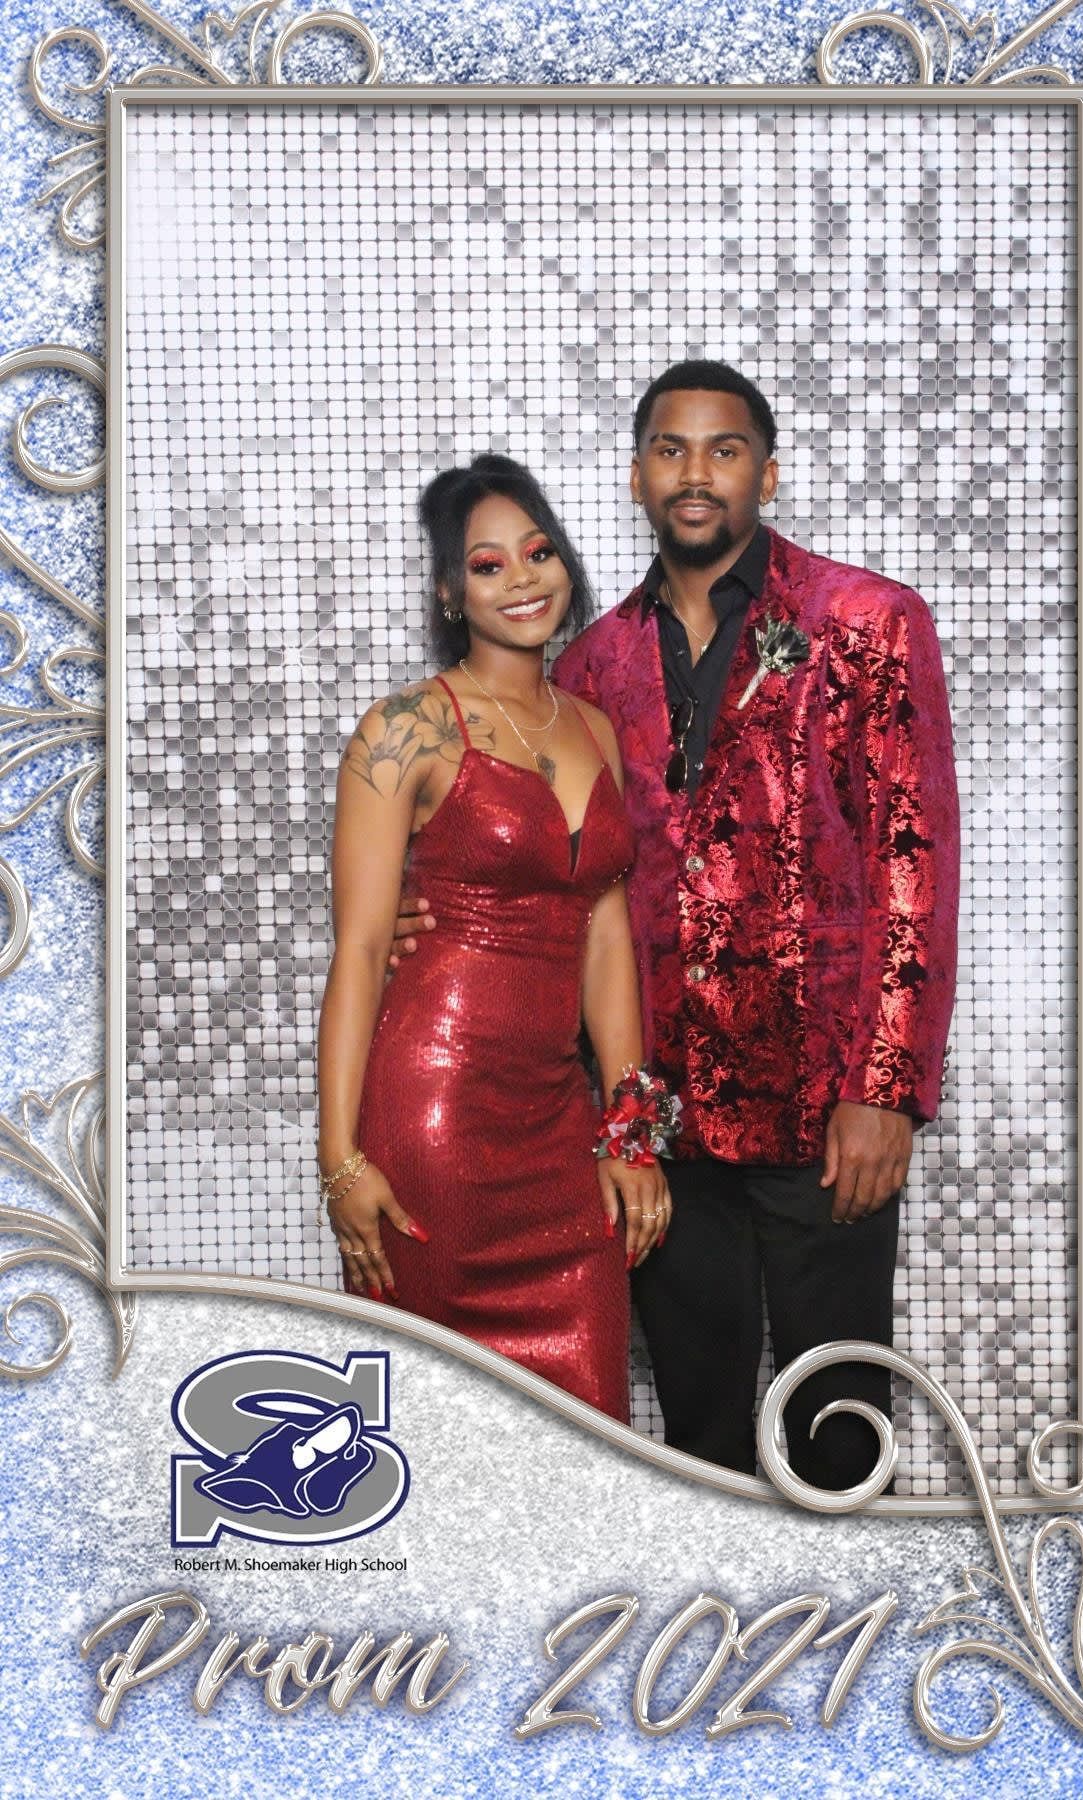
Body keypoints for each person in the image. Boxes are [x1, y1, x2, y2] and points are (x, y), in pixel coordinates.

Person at [394, 363, 960, 1486]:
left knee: (838, 1422)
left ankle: (840, 1643)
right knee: (693, 1436)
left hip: (824, 1106)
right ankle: (718, 1649)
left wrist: (886, 1086)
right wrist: (433, 913)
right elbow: (569, 867)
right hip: (659, 1115)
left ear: (768, 471)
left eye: (725, 448)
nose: (696, 473)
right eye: (671, 449)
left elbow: (914, 862)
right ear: (639, 476)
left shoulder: (866, 621)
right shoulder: (592, 663)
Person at [318, 454, 671, 1424]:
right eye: (487, 564)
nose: (521, 578)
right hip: (433, 1124)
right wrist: (339, 1159)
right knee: (440, 1435)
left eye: (538, 551)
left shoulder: (594, 730)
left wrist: (630, 1134)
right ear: (447, 590)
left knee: (590, 1435)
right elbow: (356, 951)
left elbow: (607, 937)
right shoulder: (403, 730)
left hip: (558, 1128)